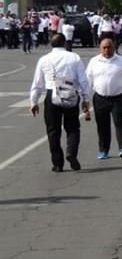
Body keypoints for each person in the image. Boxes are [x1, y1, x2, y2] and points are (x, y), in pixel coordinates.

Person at [29, 33, 91, 172]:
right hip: (70, 92)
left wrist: (33, 102)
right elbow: (83, 80)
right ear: (65, 43)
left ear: (51, 44)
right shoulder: (74, 57)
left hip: (52, 94)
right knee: (73, 127)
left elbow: (37, 83)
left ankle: (57, 163)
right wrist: (85, 98)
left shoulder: (44, 59)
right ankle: (71, 153)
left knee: (53, 130)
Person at [85, 38, 122, 160]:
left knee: (119, 122)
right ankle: (103, 149)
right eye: (104, 48)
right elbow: (88, 80)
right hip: (100, 98)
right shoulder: (94, 61)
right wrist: (85, 97)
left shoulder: (121, 61)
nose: (107, 50)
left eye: (109, 47)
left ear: (113, 48)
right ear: (100, 48)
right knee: (102, 125)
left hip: (117, 97)